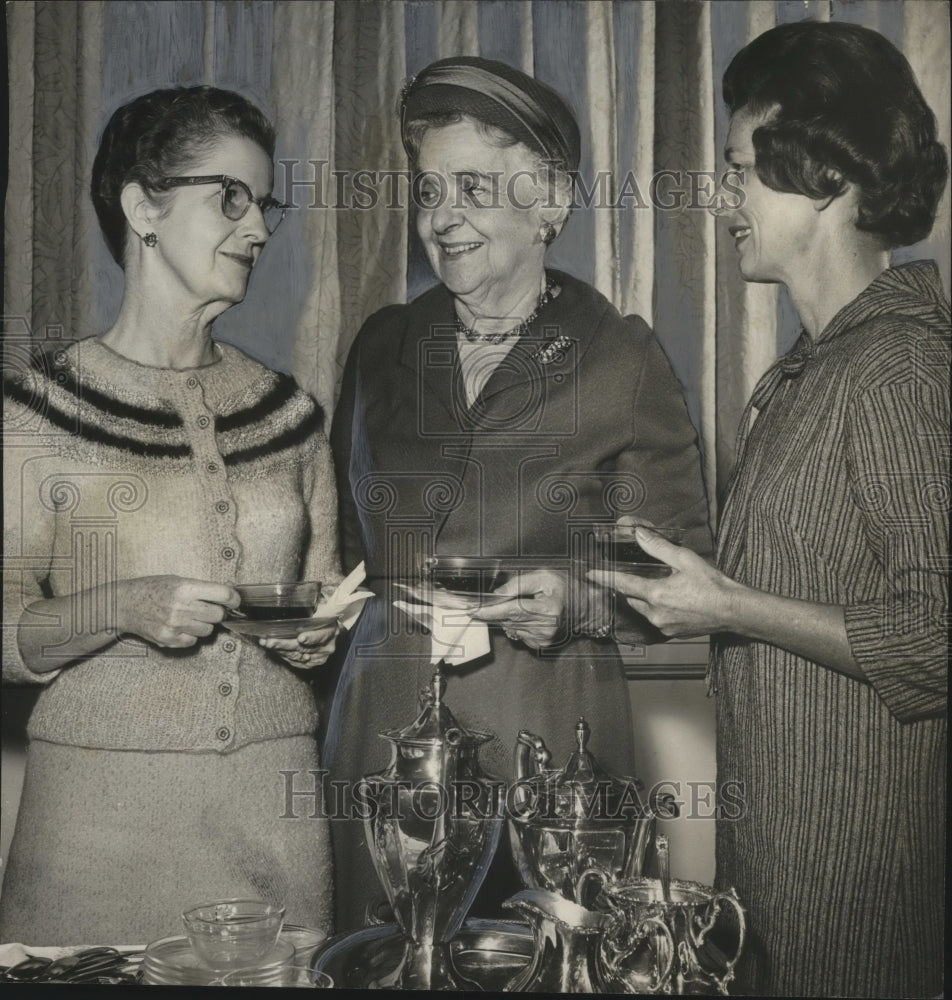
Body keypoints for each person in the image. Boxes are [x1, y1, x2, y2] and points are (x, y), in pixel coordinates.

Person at [589, 21, 948, 998]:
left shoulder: (896, 367)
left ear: (827, 177)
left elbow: (940, 636)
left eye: (740, 168)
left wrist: (729, 607)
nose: (721, 197)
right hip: (779, 894)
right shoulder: (808, 370)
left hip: (863, 912)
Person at [326, 55, 712, 932]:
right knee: (377, 963)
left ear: (550, 204)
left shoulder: (621, 357)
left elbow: (682, 571)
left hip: (547, 742)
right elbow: (353, 543)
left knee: (545, 960)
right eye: (429, 190)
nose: (443, 217)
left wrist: (577, 601)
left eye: (473, 186)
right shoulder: (382, 346)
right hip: (381, 737)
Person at [1, 87, 341, 944]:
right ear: (141, 207)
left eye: (264, 204)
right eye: (230, 197)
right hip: (95, 841)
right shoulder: (36, 411)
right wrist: (120, 606)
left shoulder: (291, 414)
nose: (259, 229)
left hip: (276, 826)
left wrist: (314, 633)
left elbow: (321, 591)